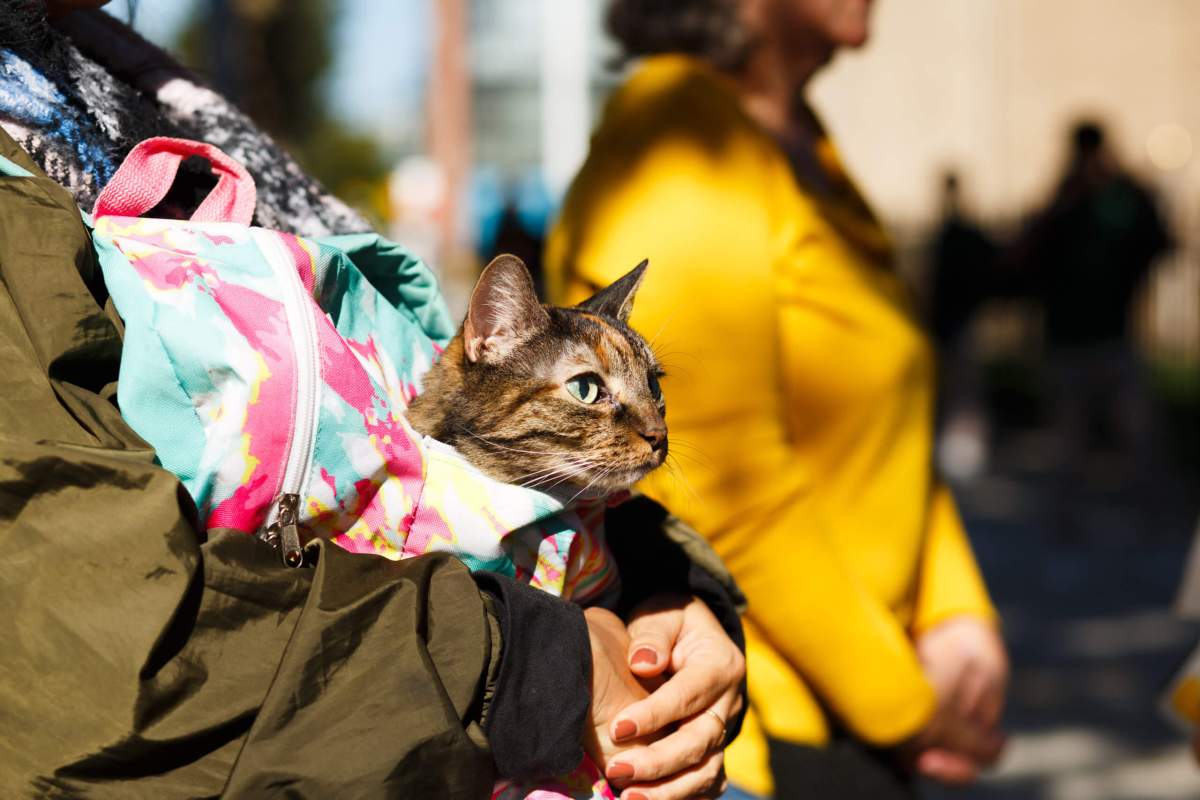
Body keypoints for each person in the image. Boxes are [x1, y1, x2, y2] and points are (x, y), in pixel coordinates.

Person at [0, 3, 745, 798]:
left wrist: (665, 589)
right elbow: (117, 661)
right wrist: (541, 660)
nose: (653, 429)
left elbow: (428, 415)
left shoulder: (119, 72)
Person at [547, 1, 1008, 797]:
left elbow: (886, 418)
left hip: (853, 705)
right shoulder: (681, 130)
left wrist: (955, 612)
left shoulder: (802, 144)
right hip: (770, 725)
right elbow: (721, 476)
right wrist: (907, 710)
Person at [1018, 120, 1171, 518]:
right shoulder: (1066, 199)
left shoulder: (1119, 196)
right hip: (1072, 339)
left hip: (1109, 335)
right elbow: (1029, 255)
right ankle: (1065, 515)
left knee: (1134, 434)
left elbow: (1155, 240)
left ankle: (1148, 509)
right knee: (1070, 440)